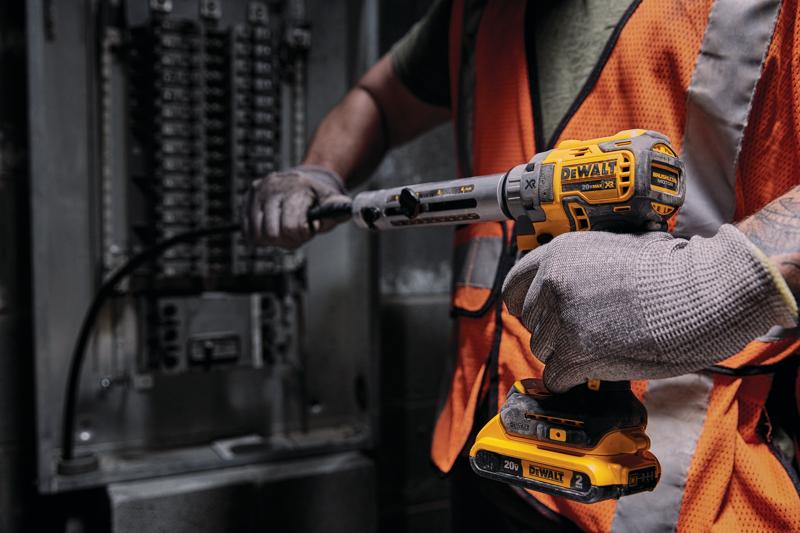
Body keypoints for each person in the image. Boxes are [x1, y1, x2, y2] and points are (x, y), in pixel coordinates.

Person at [245, 0, 800, 531]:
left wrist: (719, 280)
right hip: (492, 450)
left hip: (680, 493)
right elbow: (379, 99)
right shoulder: (473, 11)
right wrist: (317, 171)